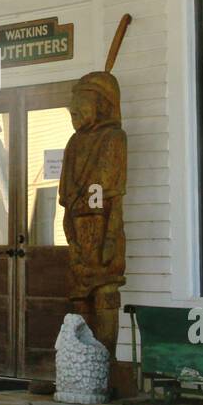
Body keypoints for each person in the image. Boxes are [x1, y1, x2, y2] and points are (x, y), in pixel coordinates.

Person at [58, 72, 127, 355]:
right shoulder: (74, 144)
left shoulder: (113, 139)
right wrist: (71, 234)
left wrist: (110, 237)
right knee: (79, 296)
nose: (74, 111)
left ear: (100, 103)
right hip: (78, 228)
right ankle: (83, 358)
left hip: (103, 227)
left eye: (81, 103)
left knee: (105, 292)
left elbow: (113, 196)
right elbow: (65, 197)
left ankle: (105, 360)